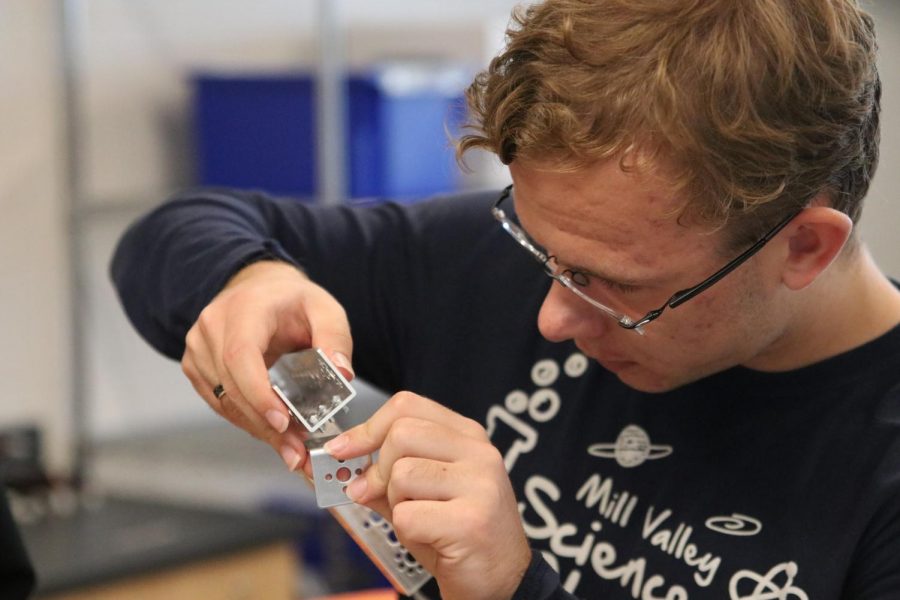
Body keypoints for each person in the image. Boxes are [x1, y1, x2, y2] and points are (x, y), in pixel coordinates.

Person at [111, 0, 900, 598]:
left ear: (802, 248)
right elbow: (178, 232)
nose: (553, 317)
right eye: (538, 248)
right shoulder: (510, 260)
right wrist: (251, 280)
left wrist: (510, 586)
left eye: (615, 287)